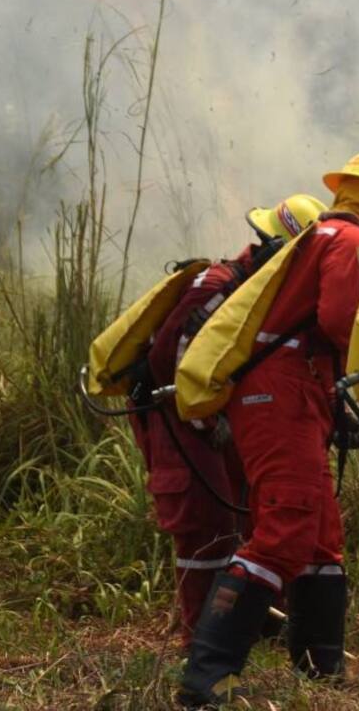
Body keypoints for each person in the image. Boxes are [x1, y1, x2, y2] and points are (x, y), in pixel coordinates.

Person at [178, 148, 359, 709]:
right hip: (280, 392)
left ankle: (320, 669)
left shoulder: (323, 235)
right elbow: (339, 322)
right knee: (287, 522)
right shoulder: (351, 241)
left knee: (319, 533)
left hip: (293, 392)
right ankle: (208, 673)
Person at [127, 193, 326, 649]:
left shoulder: (261, 292)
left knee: (248, 517)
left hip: (216, 420)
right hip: (180, 420)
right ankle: (200, 643)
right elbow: (167, 358)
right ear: (276, 250)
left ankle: (249, 626)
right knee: (205, 525)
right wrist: (207, 420)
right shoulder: (221, 285)